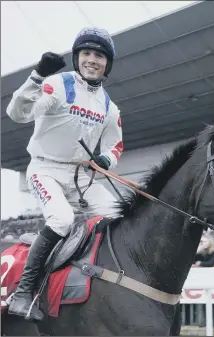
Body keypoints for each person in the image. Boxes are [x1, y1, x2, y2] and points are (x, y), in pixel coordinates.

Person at [6, 27, 123, 321]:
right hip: (45, 169)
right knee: (61, 219)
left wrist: (106, 159)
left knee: (119, 216)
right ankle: (23, 292)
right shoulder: (59, 84)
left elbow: (116, 145)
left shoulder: (109, 106)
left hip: (81, 176)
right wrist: (36, 76)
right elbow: (18, 114)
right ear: (77, 58)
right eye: (86, 53)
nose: (92, 59)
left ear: (107, 63)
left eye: (99, 55)